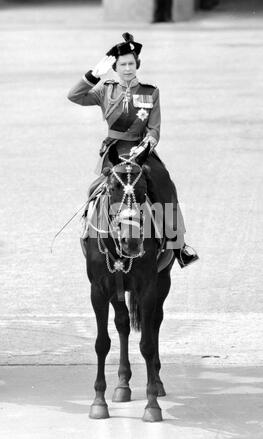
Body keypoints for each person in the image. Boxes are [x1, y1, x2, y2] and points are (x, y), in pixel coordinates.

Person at [67, 32, 198, 268]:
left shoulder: (151, 92)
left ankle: (179, 246)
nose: (127, 69)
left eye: (131, 64)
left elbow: (154, 128)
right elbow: (74, 96)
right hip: (115, 151)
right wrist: (92, 75)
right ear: (115, 67)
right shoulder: (104, 90)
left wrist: (148, 143)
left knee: (165, 186)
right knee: (95, 190)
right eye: (122, 65)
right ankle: (89, 234)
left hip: (142, 151)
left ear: (137, 65)